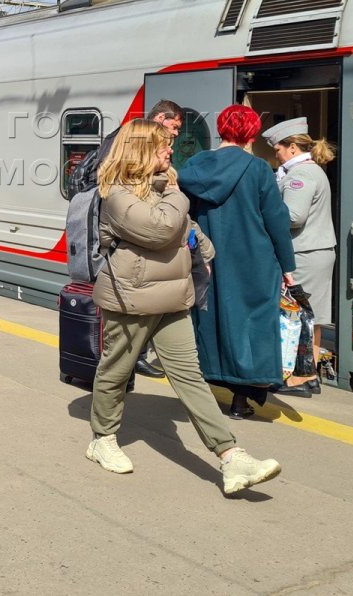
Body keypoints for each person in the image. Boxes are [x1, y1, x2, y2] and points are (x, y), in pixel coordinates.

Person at [83, 119, 282, 496]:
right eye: (162, 145)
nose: (170, 150)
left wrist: (204, 246)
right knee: (116, 369)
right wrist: (179, 194)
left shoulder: (162, 188)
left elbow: (184, 227)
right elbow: (159, 229)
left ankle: (231, 456)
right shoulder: (116, 193)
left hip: (173, 295)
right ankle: (102, 438)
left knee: (189, 375)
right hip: (132, 296)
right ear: (142, 149)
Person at [178, 105, 297, 419]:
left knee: (208, 321)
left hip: (205, 259)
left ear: (221, 129)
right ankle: (240, 401)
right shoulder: (257, 169)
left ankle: (202, 392)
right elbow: (276, 219)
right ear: (251, 135)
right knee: (251, 325)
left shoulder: (194, 165)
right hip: (252, 262)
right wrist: (287, 266)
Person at [69, 99, 184, 381]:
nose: (177, 134)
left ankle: (129, 360)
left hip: (127, 229)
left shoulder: (140, 140)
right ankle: (124, 363)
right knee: (121, 306)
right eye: (175, 125)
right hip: (119, 232)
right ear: (160, 118)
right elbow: (114, 185)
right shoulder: (129, 139)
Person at [265, 117, 337, 394]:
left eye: (279, 149)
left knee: (302, 317)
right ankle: (308, 374)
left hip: (305, 252)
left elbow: (294, 216)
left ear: (293, 147)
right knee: (311, 316)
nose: (276, 154)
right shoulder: (308, 171)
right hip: (314, 250)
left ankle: (302, 376)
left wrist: (263, 212)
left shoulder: (301, 175)